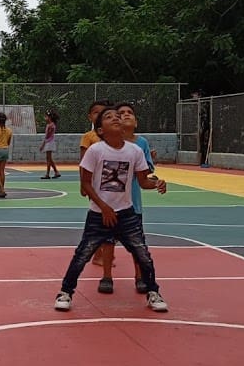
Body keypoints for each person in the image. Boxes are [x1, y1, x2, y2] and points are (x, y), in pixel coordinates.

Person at [54, 105, 169, 314]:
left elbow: (143, 181)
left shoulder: (134, 151)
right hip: (99, 215)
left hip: (126, 214)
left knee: (142, 253)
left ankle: (153, 292)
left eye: (117, 116)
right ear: (100, 130)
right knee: (83, 254)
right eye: (108, 117)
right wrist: (104, 207)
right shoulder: (95, 151)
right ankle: (65, 292)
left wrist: (157, 183)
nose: (116, 118)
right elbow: (86, 183)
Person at [115, 102, 158, 294]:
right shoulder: (108, 143)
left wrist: (153, 178)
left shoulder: (141, 144)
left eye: (129, 113)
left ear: (136, 121)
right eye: (121, 113)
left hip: (133, 204)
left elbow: (145, 172)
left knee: (137, 243)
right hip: (111, 202)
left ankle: (140, 276)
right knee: (105, 242)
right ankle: (106, 276)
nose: (125, 115)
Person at [79, 99, 117, 287]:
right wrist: (82, 184)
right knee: (100, 221)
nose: (99, 116)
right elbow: (83, 162)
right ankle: (97, 254)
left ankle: (103, 253)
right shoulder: (89, 137)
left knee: (110, 221)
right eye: (96, 113)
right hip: (95, 187)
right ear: (90, 116)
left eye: (104, 113)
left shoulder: (114, 138)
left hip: (111, 187)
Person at [39, 110, 61, 179]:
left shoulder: (51, 125)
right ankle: (56, 172)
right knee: (49, 158)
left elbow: (47, 136)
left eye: (46, 117)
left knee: (48, 159)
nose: (45, 118)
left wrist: (43, 145)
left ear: (49, 117)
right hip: (49, 142)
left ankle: (48, 174)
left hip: (49, 142)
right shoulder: (49, 125)